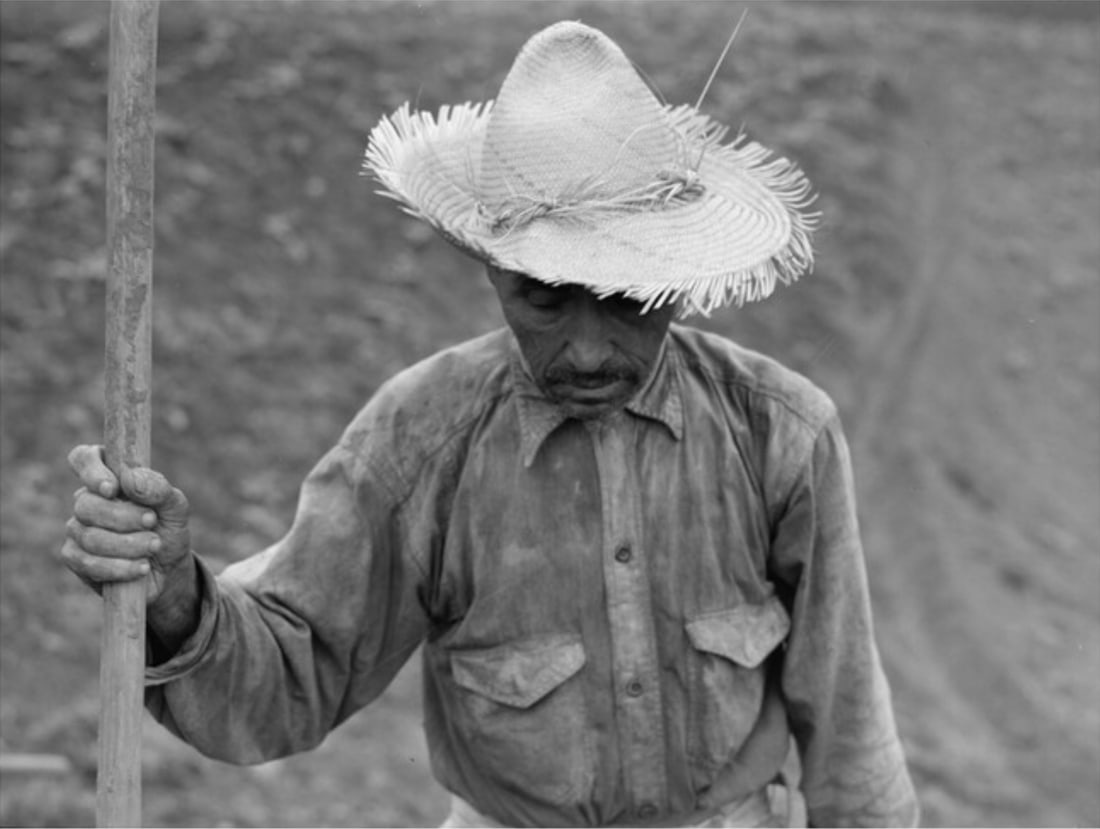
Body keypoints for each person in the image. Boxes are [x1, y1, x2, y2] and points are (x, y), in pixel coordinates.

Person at [63, 20, 919, 829]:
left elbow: (846, 718)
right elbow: (291, 674)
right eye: (542, 299)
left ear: (681, 280)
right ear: (493, 271)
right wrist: (171, 595)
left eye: (627, 301)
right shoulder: (417, 442)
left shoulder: (780, 432)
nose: (585, 351)